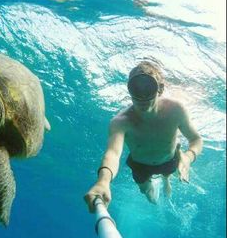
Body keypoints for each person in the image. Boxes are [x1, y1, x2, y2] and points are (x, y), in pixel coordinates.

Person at [84, 61, 203, 212]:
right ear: (129, 90)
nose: (142, 97)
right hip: (140, 166)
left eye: (148, 88)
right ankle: (157, 183)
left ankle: (167, 179)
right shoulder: (121, 122)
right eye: (136, 89)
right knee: (149, 196)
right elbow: (112, 154)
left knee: (168, 174)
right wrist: (103, 182)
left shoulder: (176, 110)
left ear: (160, 89)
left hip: (169, 159)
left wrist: (188, 157)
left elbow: (196, 139)